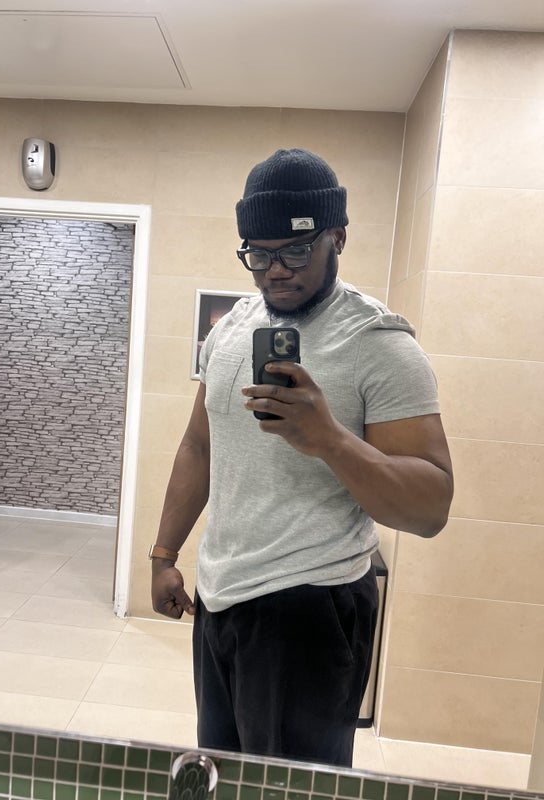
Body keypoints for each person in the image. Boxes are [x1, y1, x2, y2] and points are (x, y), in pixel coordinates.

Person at [149, 148, 453, 767]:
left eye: (294, 251)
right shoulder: (231, 329)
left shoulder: (379, 343)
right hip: (221, 597)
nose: (275, 272)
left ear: (337, 236)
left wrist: (330, 439)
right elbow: (199, 444)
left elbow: (431, 506)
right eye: (258, 255)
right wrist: (163, 555)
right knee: (226, 773)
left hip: (311, 607)